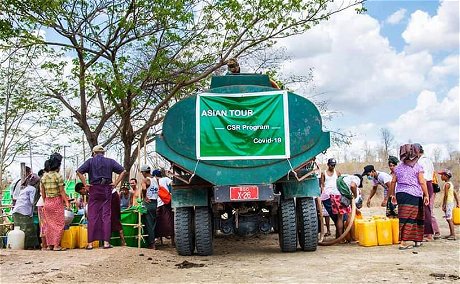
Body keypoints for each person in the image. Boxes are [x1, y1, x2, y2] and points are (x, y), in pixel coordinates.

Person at [76, 145, 126, 249]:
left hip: (94, 188)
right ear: (103, 153)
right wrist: (116, 183)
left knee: (93, 215)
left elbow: (79, 171)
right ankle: (106, 243)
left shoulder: (90, 161)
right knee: (106, 215)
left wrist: (85, 184)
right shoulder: (110, 161)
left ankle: (90, 244)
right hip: (107, 189)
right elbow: (123, 171)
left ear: (94, 153)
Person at [389, 144, 429, 250]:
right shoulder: (418, 167)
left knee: (405, 216)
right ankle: (403, 242)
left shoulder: (398, 168)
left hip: (401, 194)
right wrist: (426, 195)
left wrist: (392, 194)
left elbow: (393, 182)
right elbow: (422, 182)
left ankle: (417, 241)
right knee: (413, 217)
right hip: (414, 195)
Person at [40, 155, 70, 251]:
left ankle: (49, 245)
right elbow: (62, 191)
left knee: (49, 225)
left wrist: (45, 203)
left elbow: (43, 193)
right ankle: (56, 245)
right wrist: (67, 202)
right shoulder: (58, 176)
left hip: (47, 201)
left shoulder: (44, 177)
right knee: (59, 224)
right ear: (58, 166)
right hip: (56, 201)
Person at [414, 143, 438, 241]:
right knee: (423, 209)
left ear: (418, 151)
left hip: (425, 184)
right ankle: (425, 232)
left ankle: (429, 234)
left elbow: (423, 177)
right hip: (429, 184)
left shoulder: (422, 162)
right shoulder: (428, 160)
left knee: (426, 210)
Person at [11, 173, 41, 249]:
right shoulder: (33, 189)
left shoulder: (25, 188)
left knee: (20, 228)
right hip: (24, 211)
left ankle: (21, 245)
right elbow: (32, 201)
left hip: (16, 211)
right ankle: (29, 246)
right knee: (29, 229)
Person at [335, 174, 362, 241]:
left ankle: (341, 239)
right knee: (350, 216)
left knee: (339, 217)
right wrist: (355, 195)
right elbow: (353, 186)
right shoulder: (356, 179)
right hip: (342, 196)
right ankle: (353, 237)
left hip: (335, 195)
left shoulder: (346, 177)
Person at [320, 158, 341, 237]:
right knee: (330, 214)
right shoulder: (324, 173)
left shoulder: (337, 173)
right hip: (327, 197)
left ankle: (338, 234)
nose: (333, 166)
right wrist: (322, 195)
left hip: (336, 196)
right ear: (328, 165)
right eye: (331, 165)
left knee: (338, 215)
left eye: (334, 165)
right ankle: (330, 231)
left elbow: (340, 184)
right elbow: (322, 185)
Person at [153, 169, 174, 245]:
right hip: (166, 203)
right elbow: (173, 184)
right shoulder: (165, 179)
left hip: (158, 204)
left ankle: (159, 240)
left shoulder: (153, 181)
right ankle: (172, 241)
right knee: (169, 221)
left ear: (154, 175)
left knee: (158, 222)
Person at [140, 165, 158, 249]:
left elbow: (144, 188)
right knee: (153, 223)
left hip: (148, 203)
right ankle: (152, 241)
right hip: (155, 203)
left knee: (148, 224)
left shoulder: (146, 180)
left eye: (142, 172)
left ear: (144, 172)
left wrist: (144, 197)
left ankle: (151, 244)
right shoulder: (155, 179)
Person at [439, 169, 459, 240]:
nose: (441, 176)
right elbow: (454, 194)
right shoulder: (450, 184)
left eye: (442, 175)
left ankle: (453, 235)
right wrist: (457, 202)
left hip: (448, 203)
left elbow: (446, 195)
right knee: (448, 218)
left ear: (446, 176)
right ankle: (451, 234)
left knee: (449, 219)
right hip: (450, 202)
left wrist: (444, 204)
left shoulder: (447, 185)